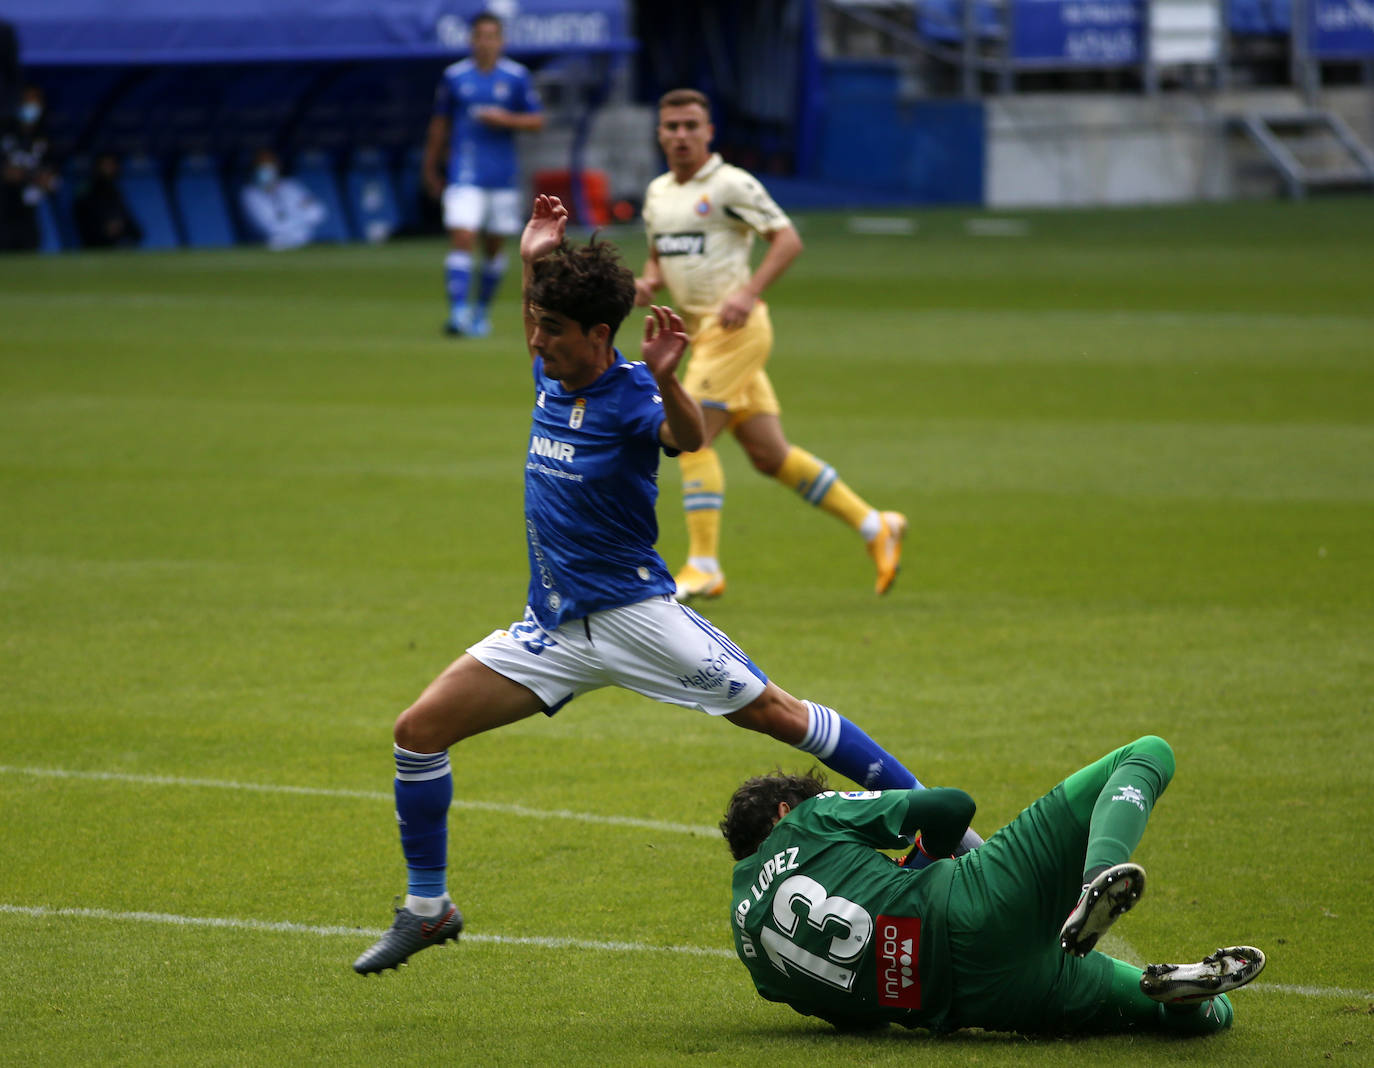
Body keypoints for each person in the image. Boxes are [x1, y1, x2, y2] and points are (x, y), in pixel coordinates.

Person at [352, 195, 947, 976]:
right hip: (554, 629)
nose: (536, 341)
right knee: (418, 731)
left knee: (774, 712)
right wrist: (537, 259)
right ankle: (429, 911)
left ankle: (939, 829)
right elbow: (546, 319)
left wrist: (669, 380)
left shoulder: (632, 392)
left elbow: (689, 437)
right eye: (534, 324)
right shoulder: (551, 373)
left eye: (552, 330)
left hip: (635, 615)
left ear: (600, 336)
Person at [721, 735, 1267, 1036]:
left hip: (982, 999)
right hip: (974, 903)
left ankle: (1181, 1002)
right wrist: (922, 858)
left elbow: (854, 1018)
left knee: (1191, 1016)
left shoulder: (748, 945)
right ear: (784, 811)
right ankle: (1095, 877)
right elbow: (952, 806)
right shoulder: (808, 819)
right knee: (1147, 754)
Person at [634, 89, 906, 602]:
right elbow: (658, 258)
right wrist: (648, 284)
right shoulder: (657, 194)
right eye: (671, 126)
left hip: (736, 329)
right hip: (699, 335)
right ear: (660, 133)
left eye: (691, 125)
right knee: (767, 454)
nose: (681, 135)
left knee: (689, 438)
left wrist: (748, 291)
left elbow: (787, 239)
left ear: (709, 131)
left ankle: (704, 564)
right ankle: (875, 526)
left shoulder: (731, 184)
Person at [424, 12, 544, 338]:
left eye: (492, 36)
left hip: (502, 175)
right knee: (462, 237)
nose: (485, 42)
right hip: (464, 171)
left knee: (492, 247)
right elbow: (440, 123)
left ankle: (481, 312)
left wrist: (505, 119)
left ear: (501, 41)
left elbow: (536, 121)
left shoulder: (516, 77)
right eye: (480, 36)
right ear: (471, 40)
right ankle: (458, 313)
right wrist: (430, 166)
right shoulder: (455, 77)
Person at [1, 85, 58, 252]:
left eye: (35, 100)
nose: (31, 105)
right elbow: (9, 173)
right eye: (27, 100)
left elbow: (52, 175)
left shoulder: (44, 136)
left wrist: (45, 180)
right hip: (3, 206)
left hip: (28, 209)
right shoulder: (5, 130)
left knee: (29, 249)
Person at [239, 148, 327, 251]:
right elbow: (269, 225)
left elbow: (318, 214)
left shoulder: (291, 186)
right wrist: (300, 215)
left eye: (271, 164)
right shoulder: (249, 194)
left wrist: (294, 222)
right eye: (262, 165)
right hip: (272, 244)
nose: (267, 169)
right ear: (255, 168)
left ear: (277, 166)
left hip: (307, 239)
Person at [74, 152, 143, 248]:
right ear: (98, 167)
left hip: (119, 232)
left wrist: (119, 225)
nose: (109, 169)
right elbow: (83, 216)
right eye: (105, 165)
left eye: (111, 165)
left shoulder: (115, 189)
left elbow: (125, 215)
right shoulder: (88, 190)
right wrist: (105, 225)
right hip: (96, 235)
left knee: (136, 232)